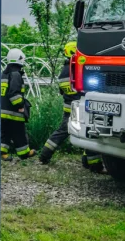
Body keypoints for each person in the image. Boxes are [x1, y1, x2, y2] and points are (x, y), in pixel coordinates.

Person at [39, 41, 103, 171]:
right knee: (89, 132)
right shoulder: (78, 68)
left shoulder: (63, 71)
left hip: (68, 107)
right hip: (81, 107)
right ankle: (94, 165)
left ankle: (45, 154)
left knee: (62, 131)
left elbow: (62, 91)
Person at [0, 48, 36, 161]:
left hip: (2, 111)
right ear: (20, 59)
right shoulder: (16, 74)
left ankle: (2, 153)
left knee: (5, 133)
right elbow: (14, 94)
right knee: (19, 133)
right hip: (13, 112)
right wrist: (20, 106)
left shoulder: (4, 74)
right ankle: (24, 153)